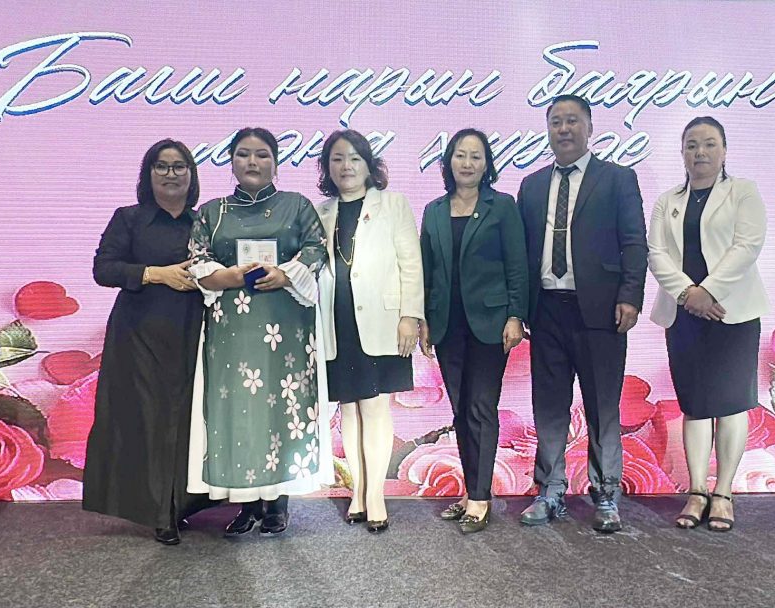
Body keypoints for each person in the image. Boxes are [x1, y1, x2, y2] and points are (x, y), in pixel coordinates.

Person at [186, 127, 332, 537]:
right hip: (232, 331)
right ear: (231, 161)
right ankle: (246, 504)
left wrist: (285, 274)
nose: (253, 162)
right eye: (244, 154)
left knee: (281, 408)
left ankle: (277, 504)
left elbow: (316, 249)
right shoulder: (211, 212)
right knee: (238, 411)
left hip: (285, 327)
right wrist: (230, 276)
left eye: (262, 154)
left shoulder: (297, 206)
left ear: (276, 162)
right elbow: (197, 259)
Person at [516, 94, 648, 533]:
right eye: (556, 122)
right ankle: (549, 491)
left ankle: (606, 494)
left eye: (572, 121)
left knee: (602, 406)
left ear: (590, 128)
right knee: (549, 406)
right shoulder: (531, 186)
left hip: (602, 312)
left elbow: (634, 242)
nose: (564, 129)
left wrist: (630, 296)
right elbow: (521, 253)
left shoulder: (618, 179)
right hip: (546, 311)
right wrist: (519, 309)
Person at [83, 139, 216, 545]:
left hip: (194, 334)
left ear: (192, 175)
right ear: (148, 174)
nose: (171, 174)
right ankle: (159, 514)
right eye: (162, 166)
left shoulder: (206, 222)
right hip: (138, 336)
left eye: (179, 166)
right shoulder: (129, 219)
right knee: (149, 422)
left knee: (188, 421)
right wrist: (158, 274)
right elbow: (103, 269)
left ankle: (180, 506)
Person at [647, 116, 769, 532]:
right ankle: (697, 491)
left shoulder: (743, 192)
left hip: (733, 312)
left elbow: (747, 245)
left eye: (709, 144)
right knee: (695, 405)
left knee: (732, 404)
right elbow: (656, 254)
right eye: (692, 145)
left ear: (724, 150)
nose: (700, 152)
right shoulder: (667, 201)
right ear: (682, 152)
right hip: (684, 314)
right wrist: (689, 294)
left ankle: (724, 493)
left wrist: (710, 291)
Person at [418, 128, 529, 534]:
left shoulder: (502, 206)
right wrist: (423, 319)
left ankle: (480, 498)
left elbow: (517, 265)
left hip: (490, 325)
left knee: (481, 407)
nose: (467, 163)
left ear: (487, 165)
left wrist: (516, 315)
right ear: (448, 161)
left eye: (475, 156)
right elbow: (427, 270)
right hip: (447, 325)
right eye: (460, 155)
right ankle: (471, 492)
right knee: (461, 410)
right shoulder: (433, 210)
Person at [315, 129, 424, 534]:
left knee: (375, 406)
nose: (346, 166)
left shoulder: (393, 204)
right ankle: (358, 492)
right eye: (337, 158)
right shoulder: (320, 212)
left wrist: (410, 315)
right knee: (348, 408)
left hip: (382, 320)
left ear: (369, 164)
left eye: (354, 158)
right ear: (327, 167)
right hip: (336, 320)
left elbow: (411, 263)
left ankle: (375, 495)